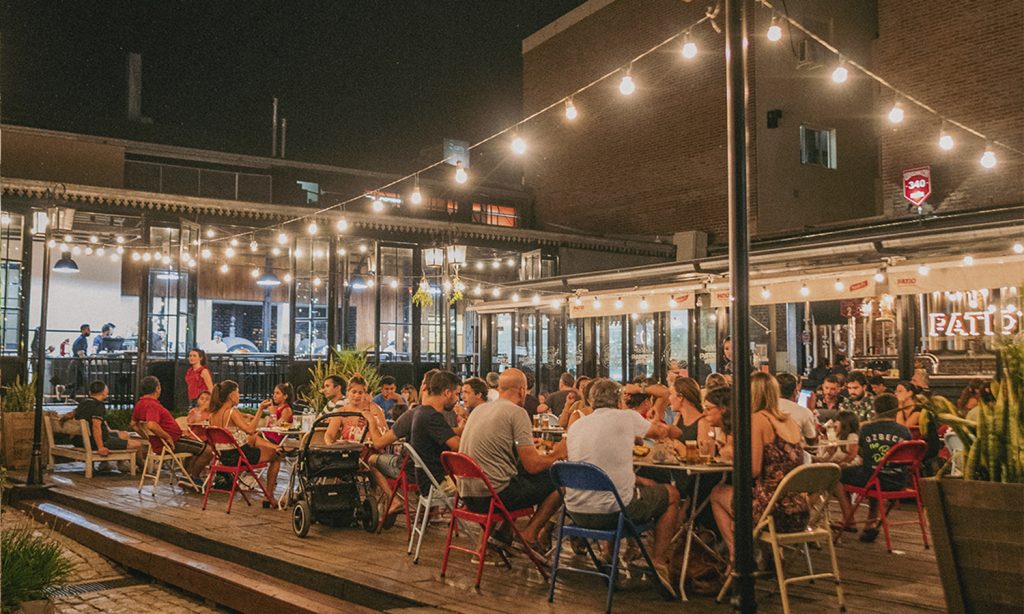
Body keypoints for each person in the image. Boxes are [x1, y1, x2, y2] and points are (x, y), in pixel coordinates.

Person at [564, 378, 677, 594]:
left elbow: (599, 469)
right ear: (619, 401)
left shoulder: (577, 425)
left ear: (590, 400)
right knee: (671, 494)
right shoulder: (627, 418)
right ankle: (659, 562)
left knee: (619, 493)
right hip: (614, 513)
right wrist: (667, 427)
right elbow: (658, 433)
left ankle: (609, 556)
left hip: (576, 512)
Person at [458, 368, 567, 550]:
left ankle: (502, 536)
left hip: (467, 495)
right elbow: (533, 465)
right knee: (559, 481)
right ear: (523, 390)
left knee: (514, 473)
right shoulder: (517, 412)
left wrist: (523, 444)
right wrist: (559, 454)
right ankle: (529, 534)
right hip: (493, 497)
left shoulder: (479, 410)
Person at [711, 373, 806, 561]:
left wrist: (731, 456)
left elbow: (752, 469)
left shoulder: (757, 420)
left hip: (773, 511)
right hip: (799, 510)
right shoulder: (789, 420)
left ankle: (736, 556)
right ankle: (766, 555)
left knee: (717, 493)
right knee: (741, 499)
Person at [835, 393, 911, 542]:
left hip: (874, 478)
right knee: (875, 472)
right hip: (898, 480)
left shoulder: (867, 429)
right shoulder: (904, 431)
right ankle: (871, 521)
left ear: (875, 410)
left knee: (836, 475)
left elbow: (861, 453)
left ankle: (848, 518)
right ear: (896, 410)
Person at [207, 380, 282, 506]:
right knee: (276, 456)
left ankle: (276, 446)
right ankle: (269, 497)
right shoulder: (231, 412)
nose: (239, 395)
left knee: (252, 440)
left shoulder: (212, 415)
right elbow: (250, 430)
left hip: (224, 458)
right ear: (231, 395)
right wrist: (260, 410)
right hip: (239, 457)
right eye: (238, 392)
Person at [130, 376, 209, 483]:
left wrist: (148, 437)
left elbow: (133, 424)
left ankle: (188, 476)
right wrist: (166, 437)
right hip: (172, 442)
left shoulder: (140, 404)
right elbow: (151, 425)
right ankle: (193, 478)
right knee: (208, 451)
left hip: (164, 442)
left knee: (195, 447)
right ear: (157, 388)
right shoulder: (152, 405)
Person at [63, 380, 144, 471]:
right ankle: (143, 468)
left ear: (90, 392)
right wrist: (101, 447)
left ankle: (113, 464)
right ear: (104, 393)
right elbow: (96, 427)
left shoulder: (84, 402)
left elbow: (71, 415)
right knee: (137, 445)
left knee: (124, 434)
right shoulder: (98, 405)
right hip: (96, 441)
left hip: (81, 440)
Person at [325, 376, 386, 445]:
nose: (357, 396)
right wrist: (330, 445)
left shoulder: (373, 408)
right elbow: (329, 434)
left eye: (360, 393)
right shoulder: (342, 411)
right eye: (354, 392)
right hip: (347, 451)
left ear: (365, 394)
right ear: (347, 393)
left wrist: (372, 422)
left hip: (370, 449)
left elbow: (385, 431)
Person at [776, 372, 819, 446]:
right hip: (797, 454)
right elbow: (812, 442)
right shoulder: (804, 412)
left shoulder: (764, 410)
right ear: (795, 392)